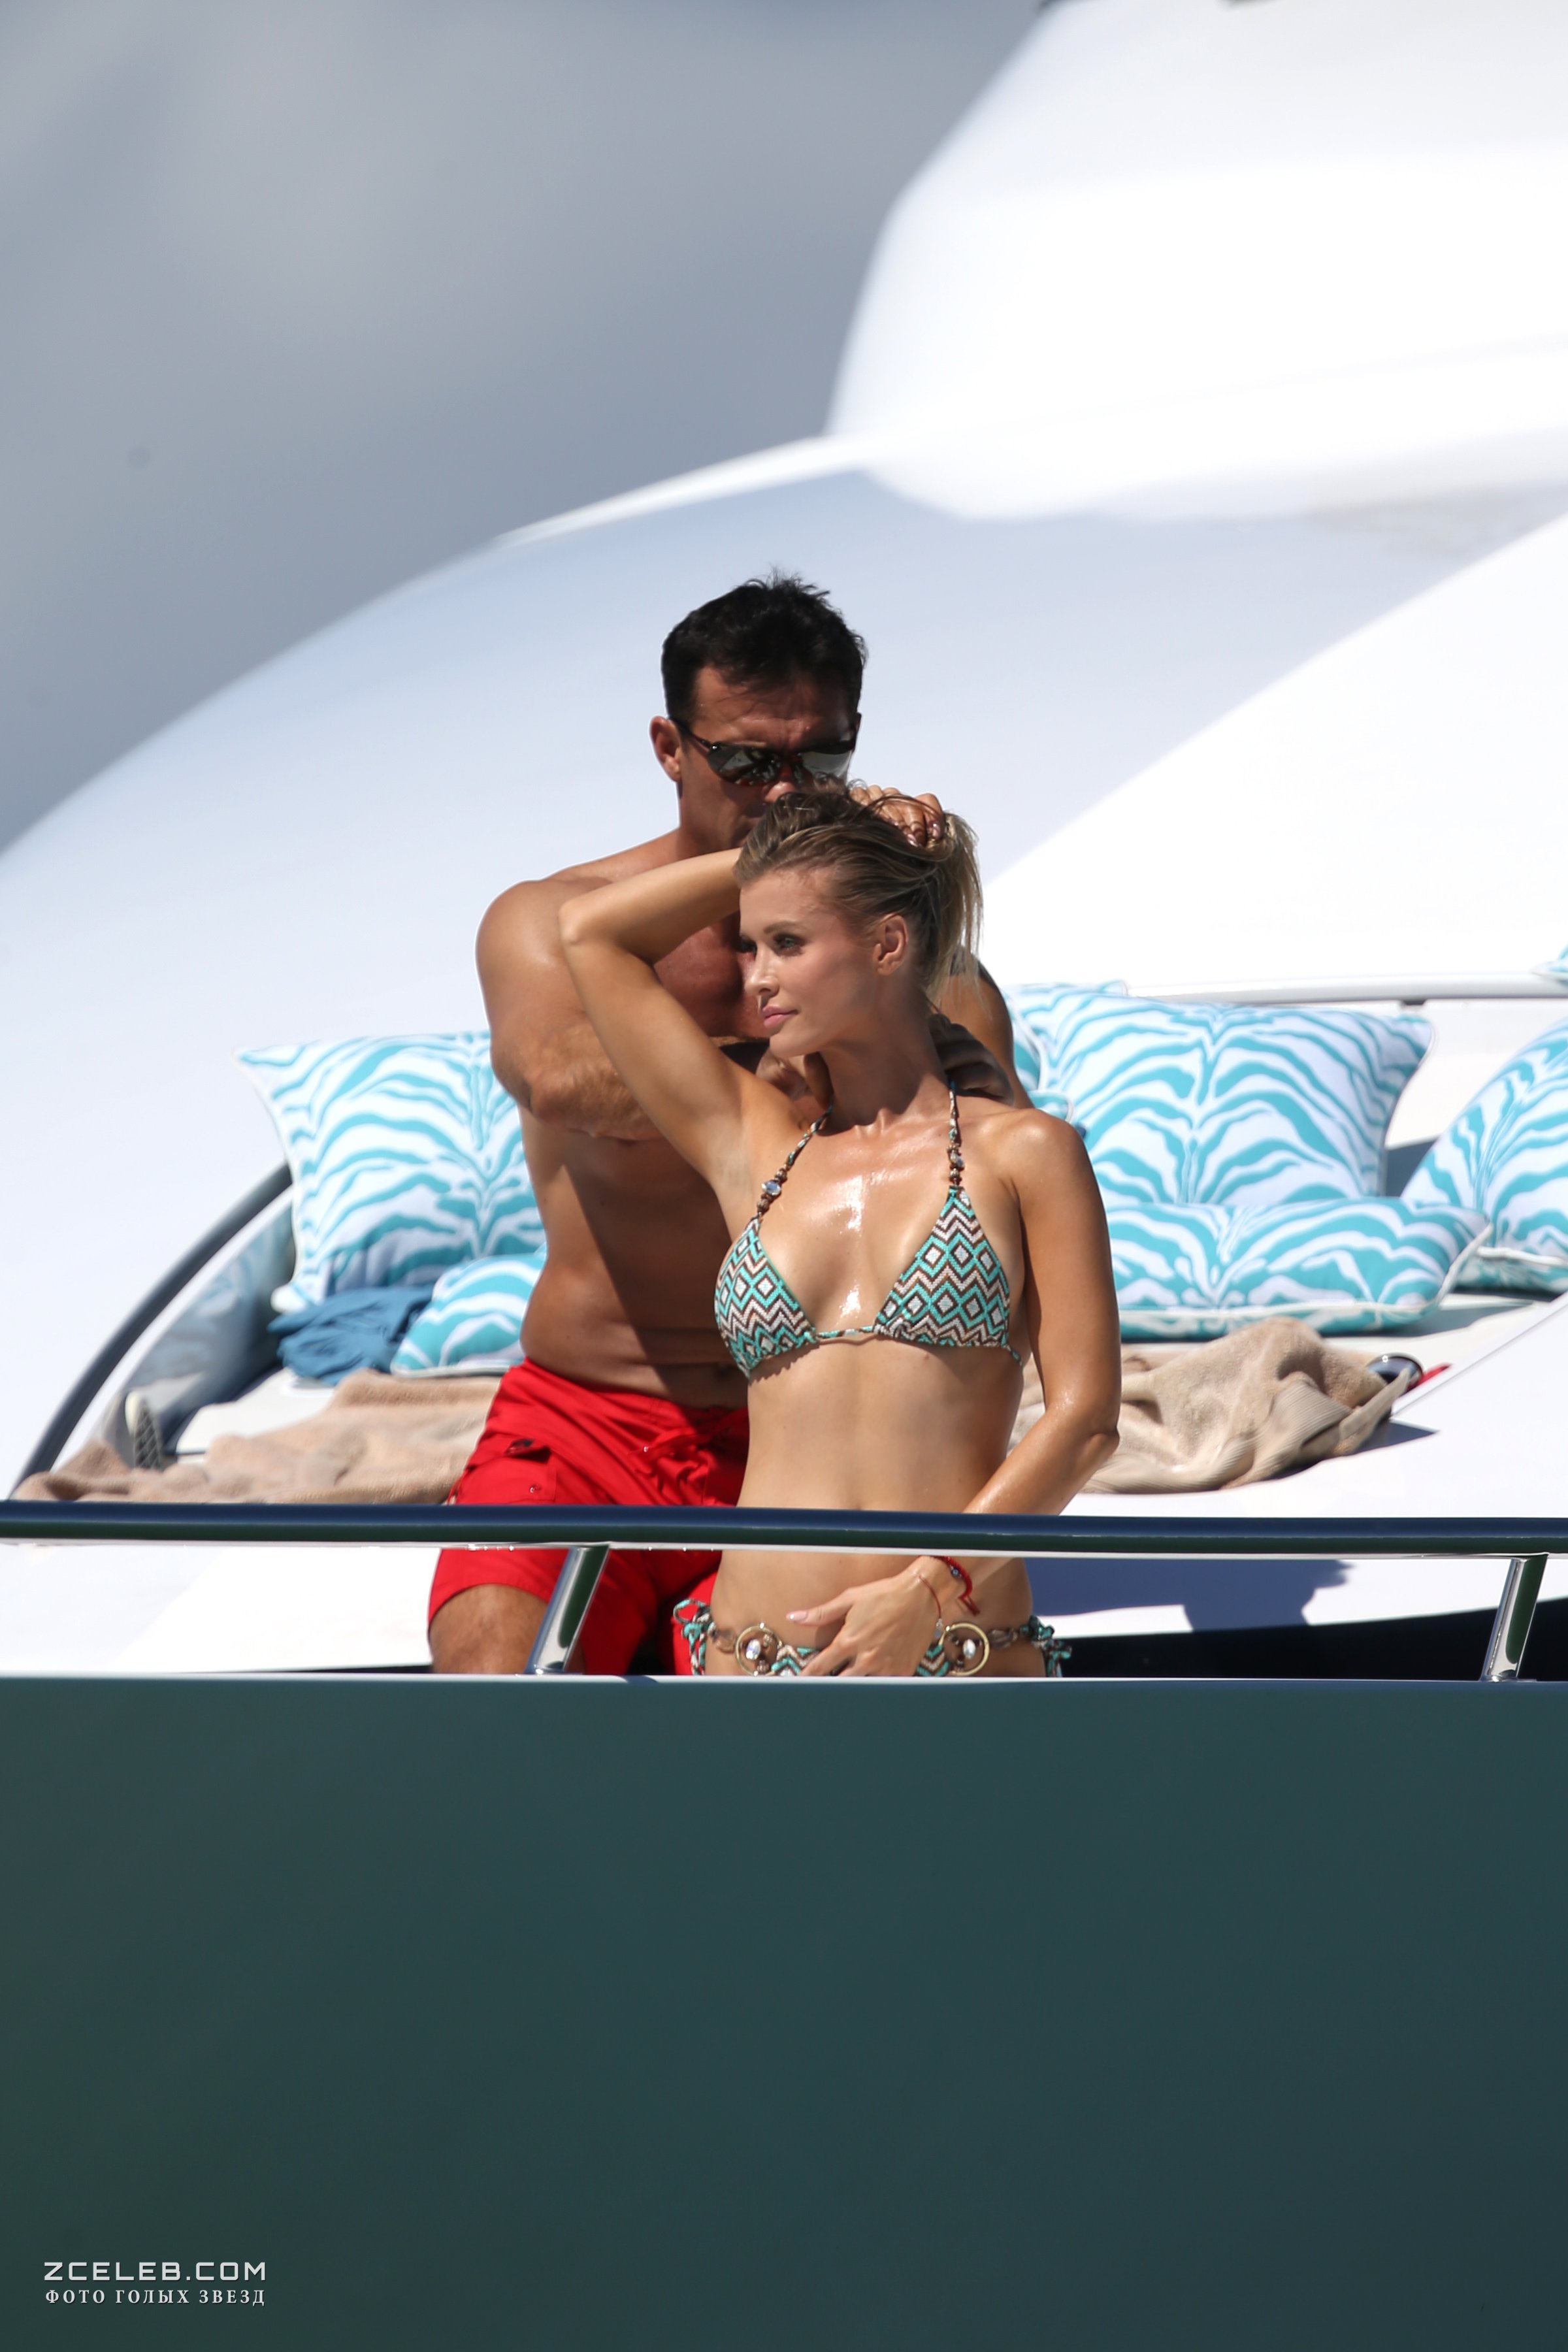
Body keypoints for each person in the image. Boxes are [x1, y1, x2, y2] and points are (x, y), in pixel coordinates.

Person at [429, 574, 1024, 1673]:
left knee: (791, 1744)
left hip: (820, 1437)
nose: (786, 789)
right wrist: (830, 1061)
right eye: (748, 762)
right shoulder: (549, 921)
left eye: (820, 761)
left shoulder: (919, 964)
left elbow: (1001, 1186)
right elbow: (560, 1079)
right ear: (671, 747)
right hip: (593, 1421)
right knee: (492, 1702)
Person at [558, 787, 1122, 1676]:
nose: (758, 978)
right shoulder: (755, 1150)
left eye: (788, 943)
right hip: (749, 1658)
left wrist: (928, 1590)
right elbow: (591, 934)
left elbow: (1086, 1422)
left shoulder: (1028, 1152)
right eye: (751, 946)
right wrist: (785, 858)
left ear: (887, 944)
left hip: (952, 1652)